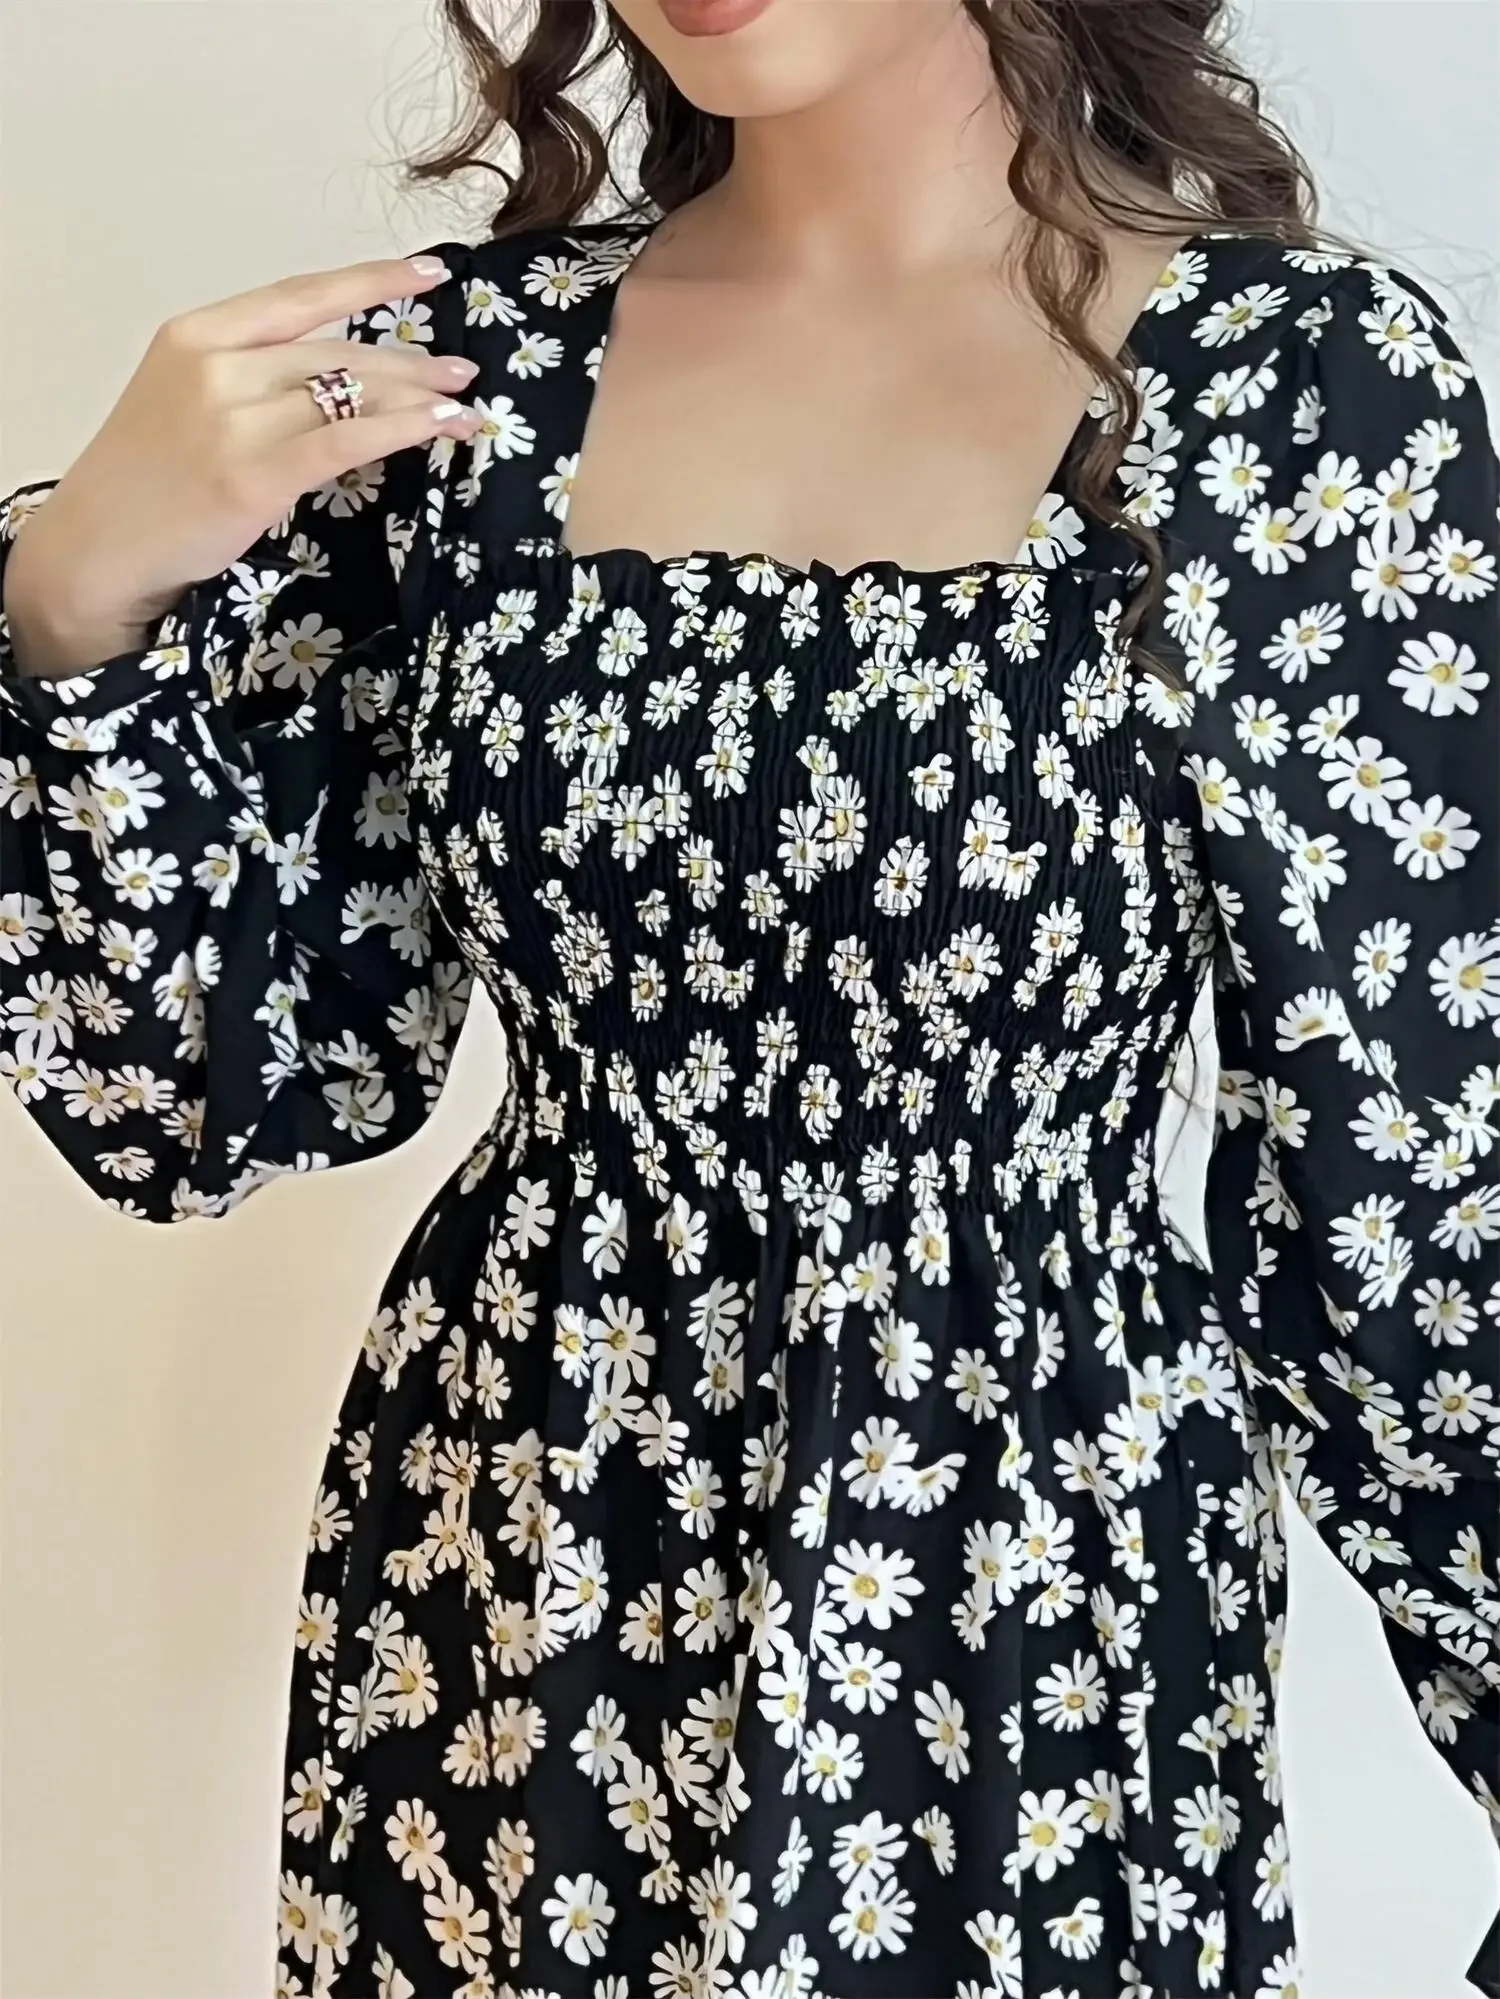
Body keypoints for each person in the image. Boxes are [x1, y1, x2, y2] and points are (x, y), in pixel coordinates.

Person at [2, 0, 1497, 1992]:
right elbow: (213, 1107)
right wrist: (76, 603)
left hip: (1018, 1575)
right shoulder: (453, 379)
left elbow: (1413, 1178)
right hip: (516, 1539)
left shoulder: (1295, 388)